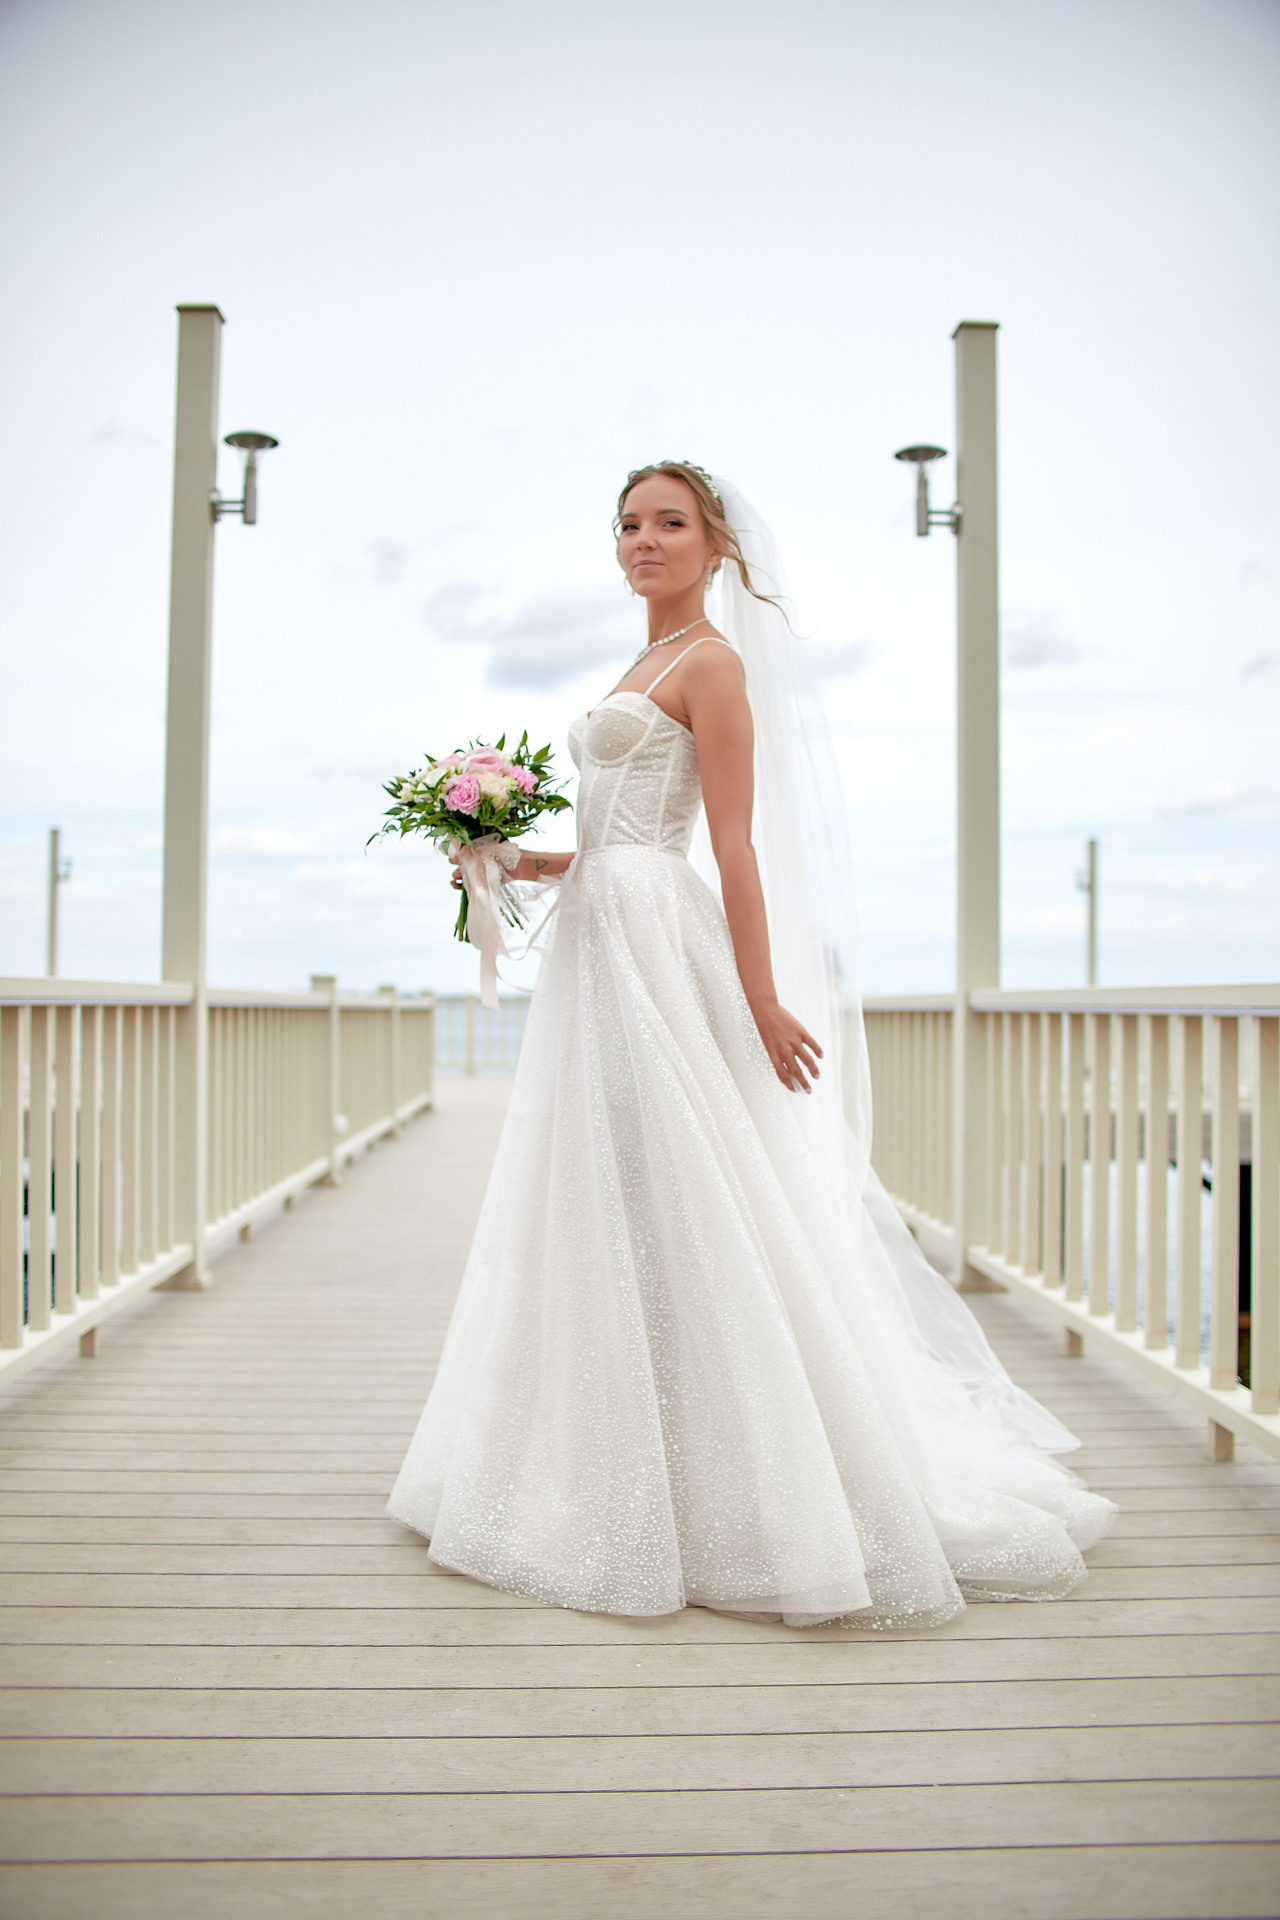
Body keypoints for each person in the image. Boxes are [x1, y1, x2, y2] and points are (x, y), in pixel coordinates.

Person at [387, 461, 1114, 1629]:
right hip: (599, 935)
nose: (643, 541)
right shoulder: (636, 666)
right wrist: (521, 858)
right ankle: (627, 1449)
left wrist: (766, 998)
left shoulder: (711, 665)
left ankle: (739, 1473)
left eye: (668, 523)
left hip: (657, 945)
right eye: (628, 524)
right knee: (612, 1186)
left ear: (716, 544)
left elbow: (726, 846)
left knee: (686, 1181)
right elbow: (620, 842)